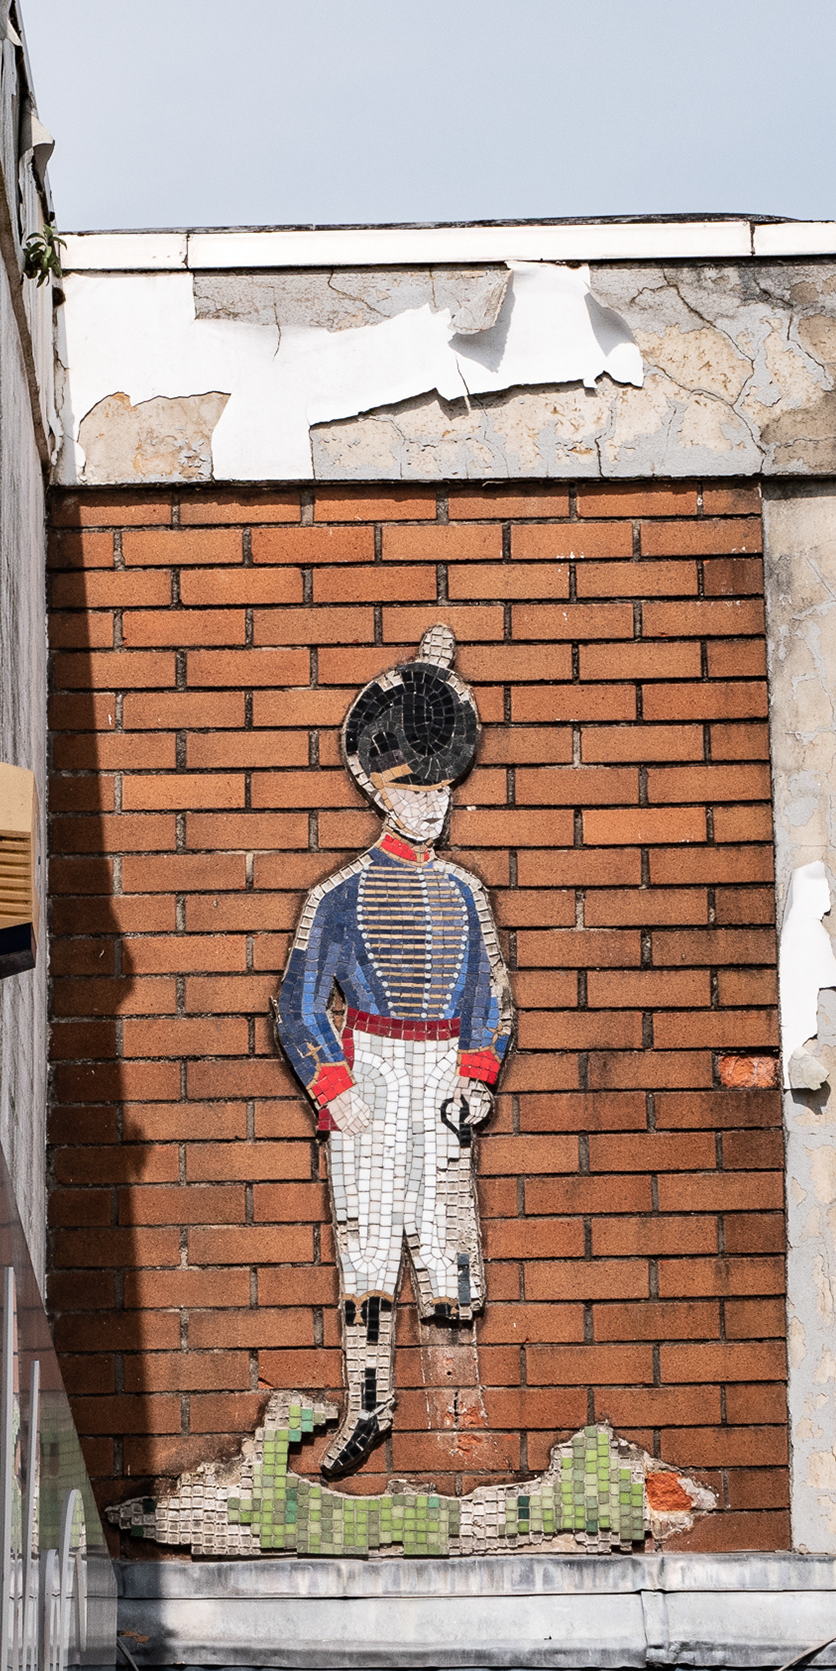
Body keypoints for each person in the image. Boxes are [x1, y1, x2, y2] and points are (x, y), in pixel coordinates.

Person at [272, 626, 514, 1478]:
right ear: (381, 789)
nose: (433, 805)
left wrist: (478, 1075)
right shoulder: (336, 894)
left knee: (448, 1253)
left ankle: (463, 1425)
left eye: (441, 788)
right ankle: (369, 1403)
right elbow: (298, 1001)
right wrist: (332, 1086)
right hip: (369, 1064)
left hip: (443, 1070)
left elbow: (492, 997)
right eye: (416, 790)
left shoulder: (466, 892)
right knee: (369, 1243)